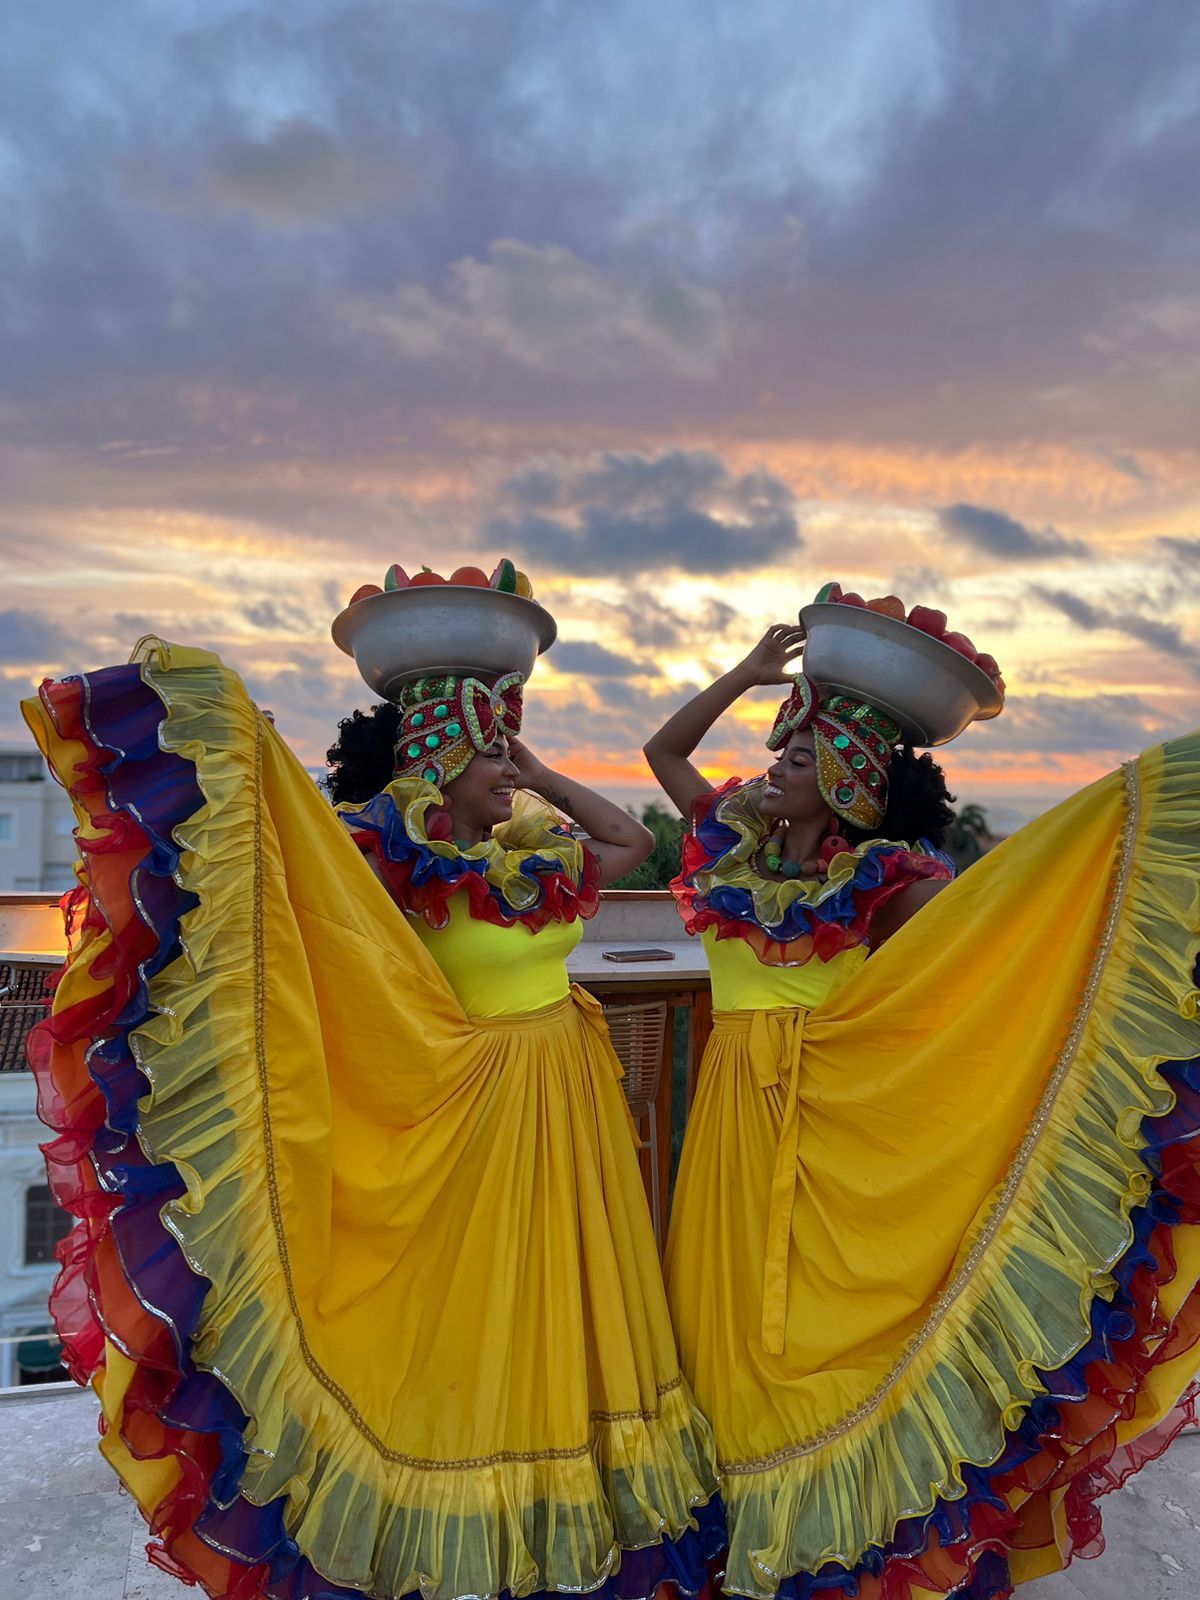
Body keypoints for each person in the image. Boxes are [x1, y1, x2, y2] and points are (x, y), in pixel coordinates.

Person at [24, 633, 721, 1600]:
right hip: (466, 1110)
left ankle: (571, 1496)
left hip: (567, 1103)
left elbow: (634, 844)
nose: (508, 771)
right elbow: (304, 902)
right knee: (476, 1310)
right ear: (438, 762)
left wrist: (540, 773)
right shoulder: (390, 863)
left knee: (564, 1293)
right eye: (492, 755)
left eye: (512, 752)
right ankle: (470, 1504)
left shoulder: (534, 853)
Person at [645, 618, 1200, 1599]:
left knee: (809, 1336)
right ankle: (732, 1520)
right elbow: (664, 753)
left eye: (801, 754)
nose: (773, 764)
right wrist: (745, 674)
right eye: (779, 745)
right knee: (716, 1318)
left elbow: (988, 948)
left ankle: (812, 1540)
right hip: (729, 1117)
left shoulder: (887, 889)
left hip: (827, 1120)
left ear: (851, 782)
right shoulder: (727, 848)